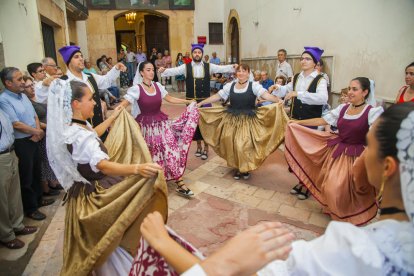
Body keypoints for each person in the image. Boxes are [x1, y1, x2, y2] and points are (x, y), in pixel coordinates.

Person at [132, 102, 414, 276]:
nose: (362, 154)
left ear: (387, 168)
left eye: (369, 146)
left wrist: (163, 242)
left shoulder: (352, 251)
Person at [46, 79, 167, 275]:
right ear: (75, 104)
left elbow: (94, 134)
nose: (95, 102)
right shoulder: (78, 135)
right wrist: (137, 168)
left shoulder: (74, 127)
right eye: (90, 99)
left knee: (99, 240)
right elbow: (101, 165)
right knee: (110, 237)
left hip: (80, 192)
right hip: (94, 190)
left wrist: (112, 118)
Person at [285, 77, 383, 224]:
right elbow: (322, 121)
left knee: (345, 189)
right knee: (331, 186)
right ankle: (335, 210)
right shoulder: (343, 108)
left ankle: (347, 214)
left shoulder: (372, 112)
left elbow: (376, 136)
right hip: (338, 151)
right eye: (349, 88)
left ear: (365, 92)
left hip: (357, 155)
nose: (350, 92)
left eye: (354, 89)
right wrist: (297, 123)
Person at [196, 64, 288, 179]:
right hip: (232, 120)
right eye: (238, 71)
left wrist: (277, 100)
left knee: (243, 145)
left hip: (248, 120)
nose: (240, 73)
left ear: (248, 73)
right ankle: (238, 165)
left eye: (244, 71)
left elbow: (265, 95)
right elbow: (218, 96)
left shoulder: (254, 85)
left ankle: (244, 169)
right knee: (232, 144)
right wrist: (201, 103)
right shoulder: (230, 85)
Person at [122, 61, 199, 197]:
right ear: (141, 73)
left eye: (152, 69)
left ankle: (179, 182)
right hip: (146, 128)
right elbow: (124, 104)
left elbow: (169, 98)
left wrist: (187, 101)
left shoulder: (158, 86)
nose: (151, 72)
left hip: (162, 125)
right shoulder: (136, 89)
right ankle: (153, 184)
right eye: (148, 70)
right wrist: (113, 115)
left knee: (171, 150)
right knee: (152, 156)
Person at [159, 43, 236, 160]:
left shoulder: (209, 66)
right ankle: (198, 146)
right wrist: (164, 70)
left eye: (199, 52)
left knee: (206, 125)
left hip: (205, 101)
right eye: (195, 52)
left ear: (202, 54)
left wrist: (233, 67)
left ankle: (206, 148)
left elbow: (222, 68)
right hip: (191, 102)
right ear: (192, 54)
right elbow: (173, 71)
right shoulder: (186, 66)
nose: (197, 54)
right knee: (194, 125)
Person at [0, 67, 54, 221]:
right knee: (27, 175)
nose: (23, 82)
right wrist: (35, 132)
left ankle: (39, 199)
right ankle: (31, 208)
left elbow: (34, 115)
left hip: (34, 136)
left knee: (37, 170)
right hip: (22, 142)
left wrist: (38, 130)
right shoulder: (4, 99)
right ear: (8, 83)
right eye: (19, 79)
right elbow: (15, 124)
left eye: (22, 79)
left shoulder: (22, 96)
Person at [282, 46, 329, 199]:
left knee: (308, 156)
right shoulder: (297, 77)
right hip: (295, 121)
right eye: (302, 58)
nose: (303, 61)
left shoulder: (320, 79)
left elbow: (323, 98)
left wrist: (299, 94)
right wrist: (278, 88)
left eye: (307, 59)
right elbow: (288, 89)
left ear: (315, 63)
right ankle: (301, 181)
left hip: (310, 124)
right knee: (297, 154)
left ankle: (307, 185)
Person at [58, 45, 127, 142]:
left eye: (81, 56)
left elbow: (105, 81)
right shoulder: (63, 82)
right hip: (81, 133)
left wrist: (116, 68)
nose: (81, 59)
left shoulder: (90, 76)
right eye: (76, 57)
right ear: (68, 62)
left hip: (99, 126)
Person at [0, 107, 38, 249]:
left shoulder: (2, 111)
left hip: (10, 152)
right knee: (2, 200)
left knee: (14, 194)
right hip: (1, 157)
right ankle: (7, 235)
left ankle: (18, 225)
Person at [22, 76, 60, 196]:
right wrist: (45, 127)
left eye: (32, 85)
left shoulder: (35, 99)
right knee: (43, 162)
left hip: (46, 132)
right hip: (40, 133)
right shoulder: (28, 102)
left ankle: (51, 183)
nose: (31, 88)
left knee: (48, 160)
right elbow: (32, 120)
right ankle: (45, 189)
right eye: (27, 86)